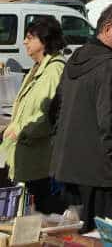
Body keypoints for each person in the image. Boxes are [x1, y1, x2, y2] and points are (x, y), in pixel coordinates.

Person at [50, 5, 112, 233]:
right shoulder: (110, 66)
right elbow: (111, 119)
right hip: (97, 168)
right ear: (108, 28)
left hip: (68, 162)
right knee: (101, 234)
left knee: (73, 233)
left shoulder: (76, 56)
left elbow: (56, 106)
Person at [0, 17, 66, 213]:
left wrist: (21, 130)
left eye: (30, 37)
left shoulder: (54, 70)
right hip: (24, 152)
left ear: (44, 40)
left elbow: (48, 114)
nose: (25, 42)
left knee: (36, 212)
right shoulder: (38, 67)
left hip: (37, 157)